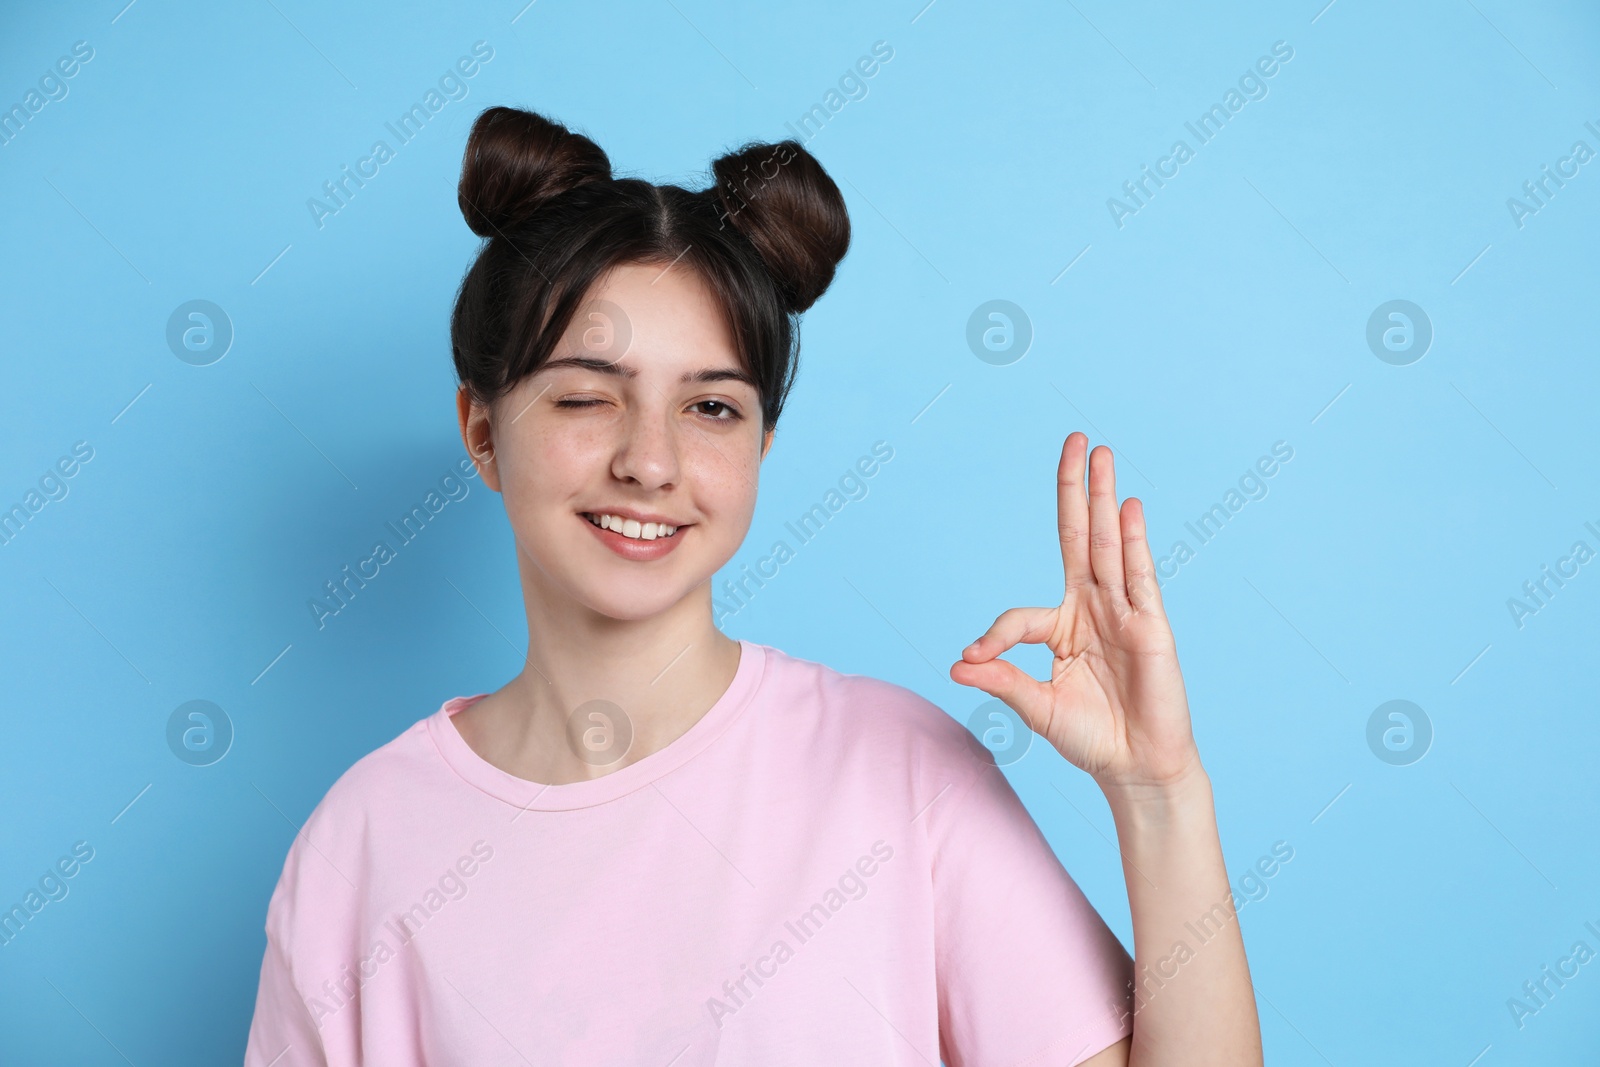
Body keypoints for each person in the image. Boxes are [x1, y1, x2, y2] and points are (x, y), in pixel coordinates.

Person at [243, 105, 1262, 1066]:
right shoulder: (363, 840)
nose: (651, 461)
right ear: (481, 431)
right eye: (587, 396)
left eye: (712, 408)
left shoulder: (899, 770)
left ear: (763, 441)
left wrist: (1159, 792)